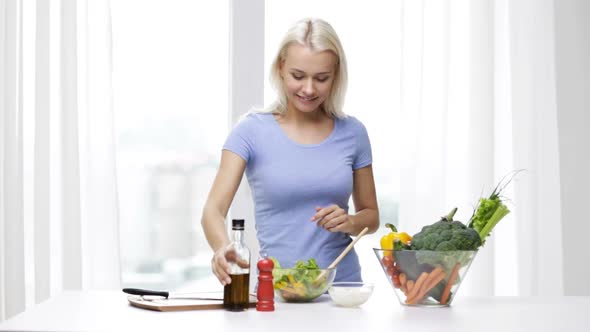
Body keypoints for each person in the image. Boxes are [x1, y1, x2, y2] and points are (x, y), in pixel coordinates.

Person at [201, 18, 379, 286]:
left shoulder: (353, 133)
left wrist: (350, 221)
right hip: (279, 289)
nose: (309, 89)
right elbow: (212, 210)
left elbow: (371, 216)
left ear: (336, 75)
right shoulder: (250, 131)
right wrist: (222, 248)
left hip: (342, 289)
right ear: (281, 67)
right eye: (298, 76)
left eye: (321, 78)